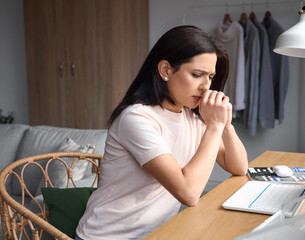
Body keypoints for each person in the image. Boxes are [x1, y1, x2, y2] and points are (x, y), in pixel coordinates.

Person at [76, 25, 248, 240]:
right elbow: (189, 193)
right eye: (197, 75)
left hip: (160, 233)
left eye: (211, 77)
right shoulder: (136, 118)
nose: (207, 86)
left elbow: (239, 167)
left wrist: (225, 125)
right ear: (166, 70)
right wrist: (214, 126)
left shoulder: (192, 115)